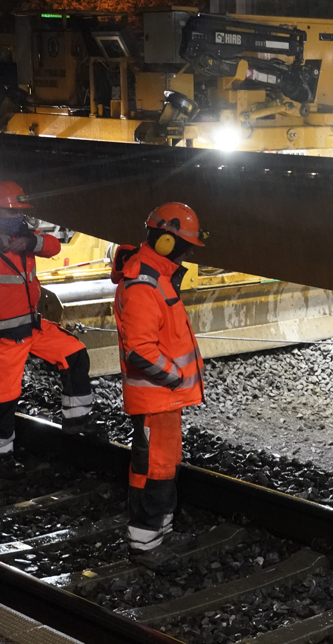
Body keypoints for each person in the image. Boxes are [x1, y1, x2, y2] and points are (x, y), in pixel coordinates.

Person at [0, 181, 99, 479]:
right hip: (0, 338)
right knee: (2, 401)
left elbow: (53, 246)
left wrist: (29, 242)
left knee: (75, 354)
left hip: (32, 327)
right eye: (11, 212)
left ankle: (77, 420)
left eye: (20, 212)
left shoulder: (24, 237)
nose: (17, 218)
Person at [111, 202, 207, 568]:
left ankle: (159, 533)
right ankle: (147, 546)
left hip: (164, 398)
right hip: (156, 397)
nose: (188, 251)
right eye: (185, 244)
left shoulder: (158, 275)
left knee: (157, 465)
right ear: (166, 241)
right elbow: (140, 349)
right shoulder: (144, 284)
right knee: (156, 467)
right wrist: (176, 375)